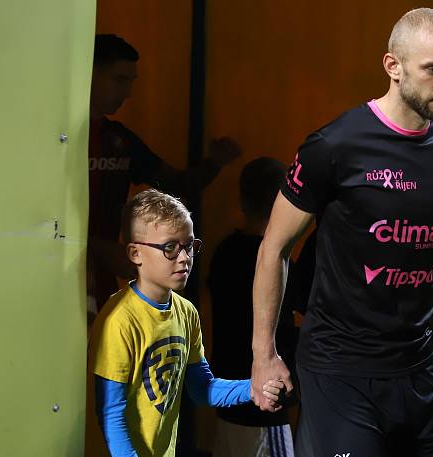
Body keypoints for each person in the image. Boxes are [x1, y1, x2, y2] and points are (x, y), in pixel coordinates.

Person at [250, 8, 433, 456]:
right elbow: (274, 247)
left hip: (416, 373)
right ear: (393, 66)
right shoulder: (333, 146)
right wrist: (263, 355)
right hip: (340, 372)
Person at [88, 189, 283, 457]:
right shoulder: (118, 321)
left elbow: (202, 389)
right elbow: (111, 416)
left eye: (189, 245)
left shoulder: (186, 312)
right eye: (170, 247)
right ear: (135, 254)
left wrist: (254, 388)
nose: (184, 257)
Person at [88, 34, 241, 316]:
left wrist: (214, 163)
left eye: (130, 82)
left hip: (104, 279)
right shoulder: (57, 137)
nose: (127, 92)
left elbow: (178, 185)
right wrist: (94, 247)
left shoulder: (119, 139)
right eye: (119, 80)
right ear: (88, 72)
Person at [208, 158, 297, 457]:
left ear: (242, 201)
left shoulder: (224, 253)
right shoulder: (278, 264)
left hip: (228, 401)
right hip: (262, 408)